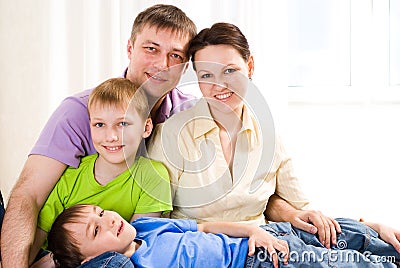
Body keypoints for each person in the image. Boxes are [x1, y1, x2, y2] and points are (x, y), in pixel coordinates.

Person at [147, 22, 400, 254]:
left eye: (230, 71)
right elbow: (156, 227)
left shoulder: (269, 137)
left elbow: (306, 213)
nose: (219, 85)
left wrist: (371, 229)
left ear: (251, 67)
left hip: (269, 248)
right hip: (204, 252)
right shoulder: (172, 134)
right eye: (206, 75)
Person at [1, 4, 197, 268]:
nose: (162, 64)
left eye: (175, 55)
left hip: (120, 252)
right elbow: (29, 195)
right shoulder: (79, 110)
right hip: (61, 247)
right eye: (151, 48)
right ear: (130, 48)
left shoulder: (192, 118)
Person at [28, 78, 172, 266]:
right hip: (55, 258)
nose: (111, 137)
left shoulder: (153, 176)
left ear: (146, 127)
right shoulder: (70, 176)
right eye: (99, 125)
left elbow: (134, 244)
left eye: (122, 124)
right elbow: (37, 239)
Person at [47, 204, 400, 268]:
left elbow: (206, 227)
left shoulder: (148, 227)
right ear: (92, 260)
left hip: (260, 235)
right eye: (97, 230)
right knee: (337, 262)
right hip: (257, 261)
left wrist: (250, 229)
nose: (109, 220)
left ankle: (384, 237)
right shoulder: (134, 264)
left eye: (102, 213)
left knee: (338, 231)